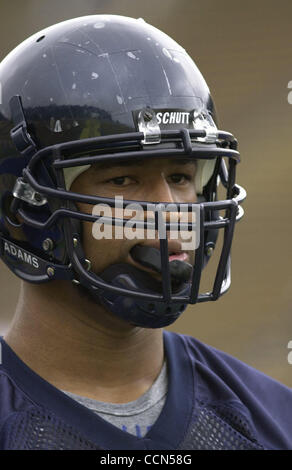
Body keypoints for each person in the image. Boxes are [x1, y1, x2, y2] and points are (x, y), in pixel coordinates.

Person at [0, 14, 291, 451]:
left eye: (180, 176)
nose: (171, 212)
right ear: (23, 212)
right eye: (122, 180)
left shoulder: (272, 418)